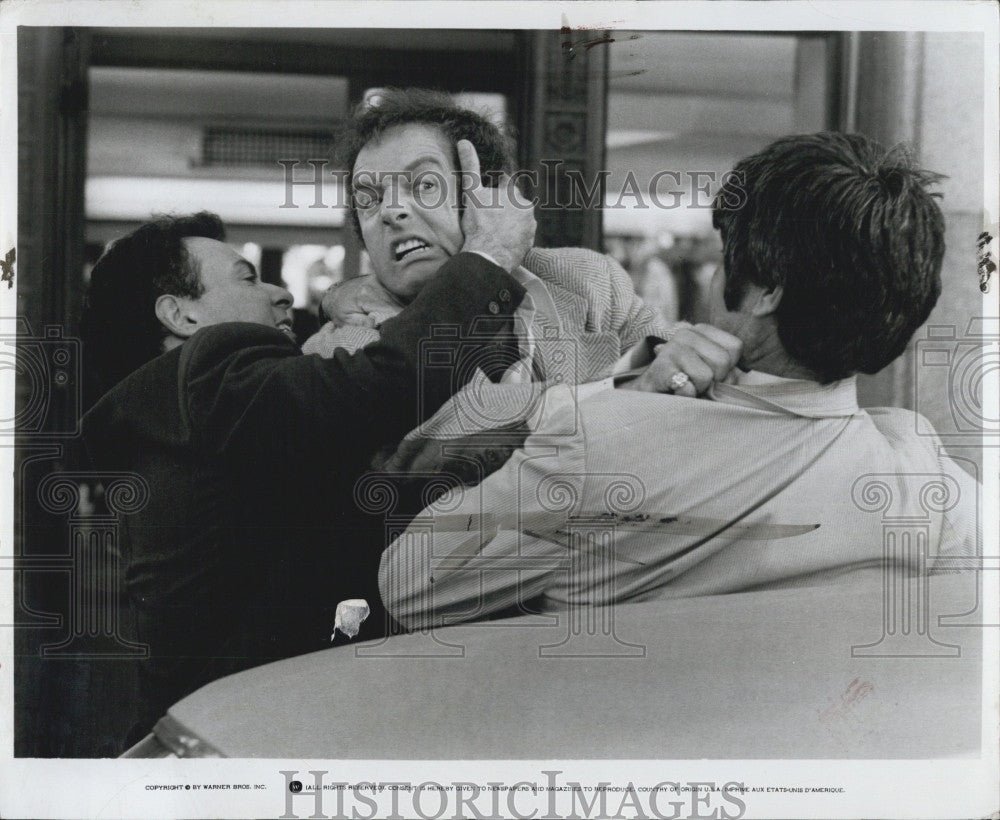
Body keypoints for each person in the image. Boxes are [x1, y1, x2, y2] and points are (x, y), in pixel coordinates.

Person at [379, 132, 979, 631]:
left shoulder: (596, 442)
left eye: (725, 252)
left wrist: (614, 397)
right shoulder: (934, 487)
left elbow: (407, 585)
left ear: (765, 289)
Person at [79, 192, 534, 746]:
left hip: (220, 738)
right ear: (182, 315)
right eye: (248, 279)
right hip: (248, 744)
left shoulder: (178, 418)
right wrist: (488, 256)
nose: (281, 291)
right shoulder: (204, 376)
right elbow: (383, 387)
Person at [303, 89, 670, 458]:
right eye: (369, 199)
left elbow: (673, 376)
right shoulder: (340, 350)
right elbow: (461, 447)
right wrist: (628, 391)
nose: (391, 210)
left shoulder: (590, 280)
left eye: (425, 185)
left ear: (491, 195)